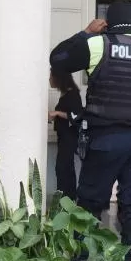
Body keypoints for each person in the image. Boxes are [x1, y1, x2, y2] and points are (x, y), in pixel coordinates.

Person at [49, 0, 131, 261]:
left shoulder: (97, 44)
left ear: (106, 23)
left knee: (90, 204)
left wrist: (85, 32)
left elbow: (57, 59)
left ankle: (82, 260)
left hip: (105, 140)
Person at [47, 68, 84, 200]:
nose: (49, 79)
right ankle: (67, 198)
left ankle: (66, 199)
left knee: (63, 168)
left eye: (51, 76)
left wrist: (56, 113)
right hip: (63, 137)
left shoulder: (72, 94)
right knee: (65, 168)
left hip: (69, 137)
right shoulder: (65, 94)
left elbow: (76, 115)